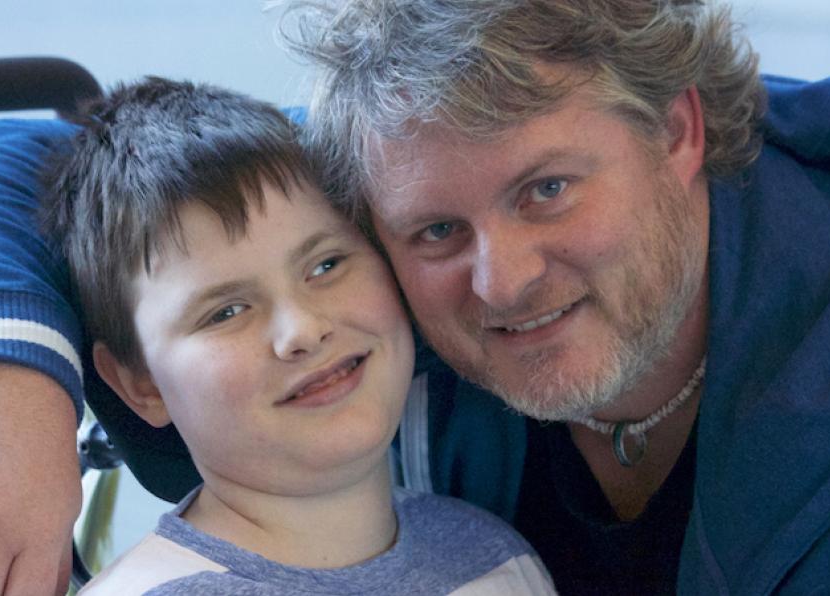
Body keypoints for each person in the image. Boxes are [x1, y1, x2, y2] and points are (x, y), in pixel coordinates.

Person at [0, 0, 830, 594]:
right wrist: (1, 384)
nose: (499, 280)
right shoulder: (381, 186)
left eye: (547, 190)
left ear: (678, 131)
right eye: (435, 232)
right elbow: (10, 165)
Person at [41, 76, 552, 594]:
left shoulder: (494, 557)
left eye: (326, 265)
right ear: (142, 385)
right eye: (226, 312)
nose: (302, 330)